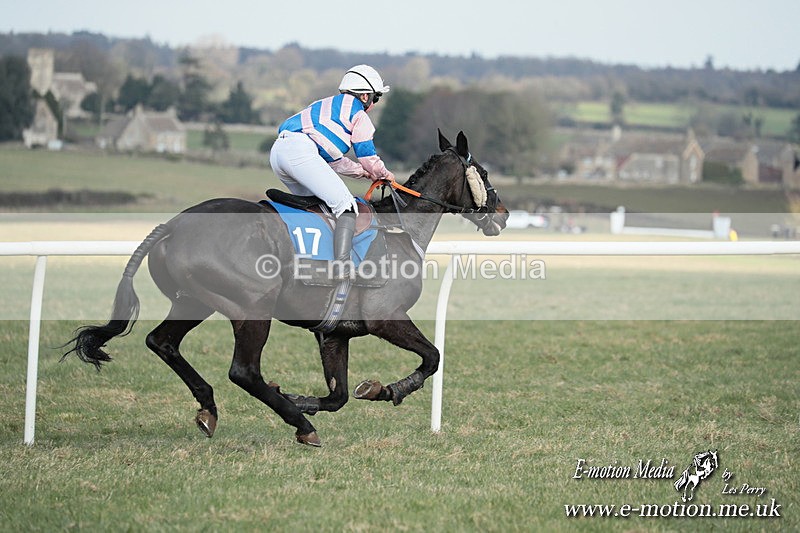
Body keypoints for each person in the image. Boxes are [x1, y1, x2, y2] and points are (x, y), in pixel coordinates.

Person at [269, 64, 396, 279]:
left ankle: (308, 260)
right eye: (375, 98)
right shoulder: (359, 116)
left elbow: (332, 162)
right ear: (365, 96)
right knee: (346, 206)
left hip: (279, 153)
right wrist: (383, 173)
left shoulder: (323, 104)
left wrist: (363, 173)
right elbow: (367, 156)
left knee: (317, 207)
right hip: (301, 153)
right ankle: (343, 268)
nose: (374, 104)